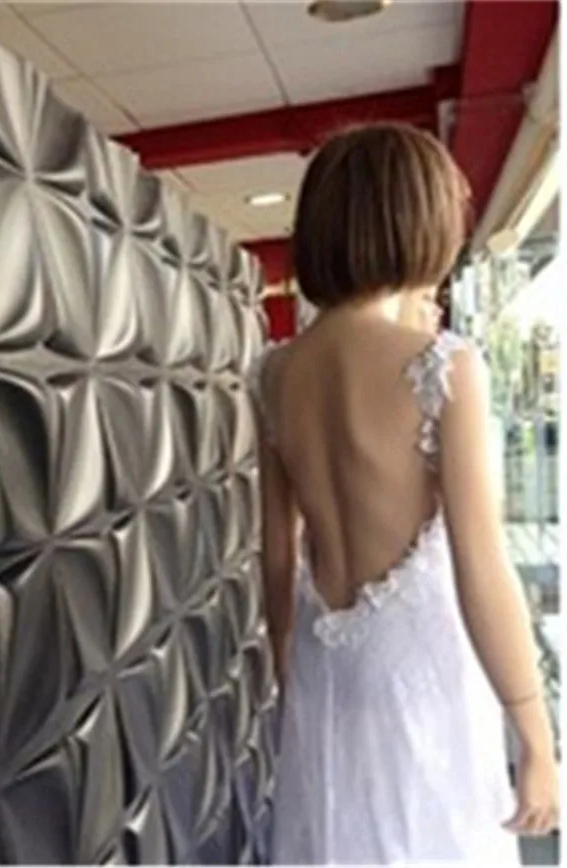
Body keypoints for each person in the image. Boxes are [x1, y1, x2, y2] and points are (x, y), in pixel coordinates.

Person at [249, 124, 559, 865]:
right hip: (422, 669)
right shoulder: (442, 366)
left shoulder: (275, 374)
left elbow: (276, 551)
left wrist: (287, 668)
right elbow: (482, 565)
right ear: (419, 222)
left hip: (323, 666)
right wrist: (533, 728)